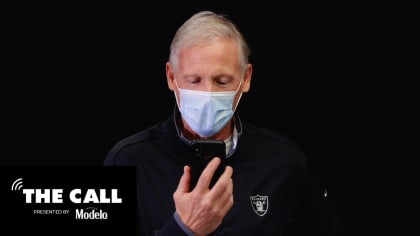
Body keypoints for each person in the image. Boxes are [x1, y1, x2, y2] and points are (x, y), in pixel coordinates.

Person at [104, 10, 339, 236]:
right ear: (171, 77)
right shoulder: (128, 159)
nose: (208, 93)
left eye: (222, 81)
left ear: (246, 78)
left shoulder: (285, 162)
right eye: (194, 80)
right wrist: (184, 229)